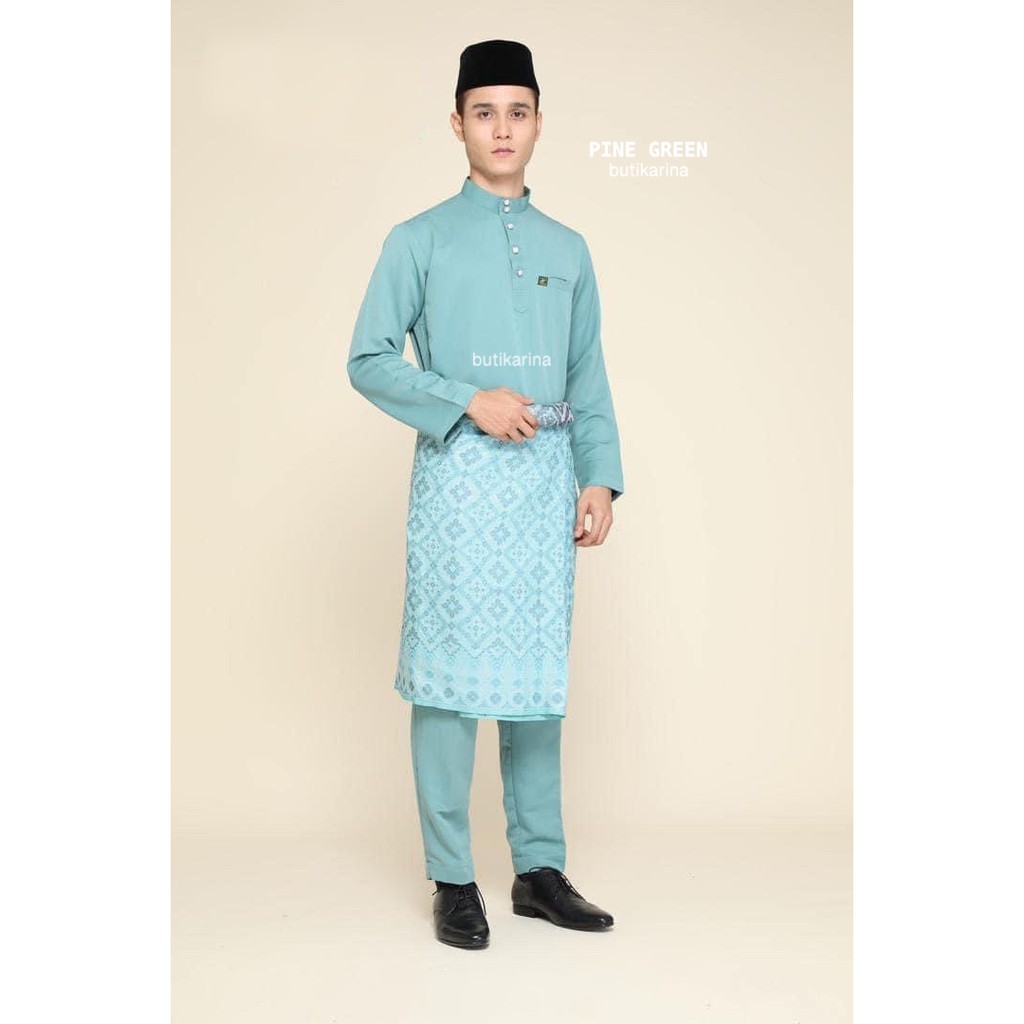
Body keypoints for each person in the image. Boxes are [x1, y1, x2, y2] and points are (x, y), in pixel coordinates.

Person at [347, 39, 624, 950]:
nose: (501, 128)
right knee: (448, 685)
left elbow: (587, 375)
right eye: (483, 111)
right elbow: (369, 359)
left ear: (539, 123)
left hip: (544, 480)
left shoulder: (568, 249)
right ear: (457, 124)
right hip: (460, 480)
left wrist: (597, 474)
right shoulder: (418, 239)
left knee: (536, 681)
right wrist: (467, 397)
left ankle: (538, 871)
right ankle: (453, 878)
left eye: (517, 111)